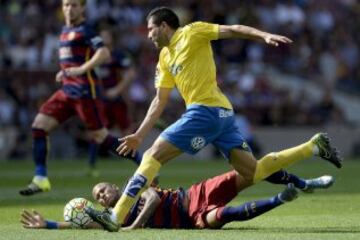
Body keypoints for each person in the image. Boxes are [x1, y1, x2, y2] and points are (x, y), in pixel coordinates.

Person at [86, 7, 342, 231]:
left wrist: (262, 35)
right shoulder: (164, 58)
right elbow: (158, 101)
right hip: (221, 115)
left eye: (151, 29)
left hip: (205, 111)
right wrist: (139, 134)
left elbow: (232, 29)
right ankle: (313, 146)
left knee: (153, 155)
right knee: (253, 172)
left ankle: (116, 215)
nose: (149, 34)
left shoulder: (192, 32)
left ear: (164, 26)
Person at [19, 0, 142, 196]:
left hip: (85, 91)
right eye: (67, 4)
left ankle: (143, 164)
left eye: (75, 5)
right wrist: (64, 72)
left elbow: (104, 52)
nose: (70, 8)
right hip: (67, 91)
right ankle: (40, 178)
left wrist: (80, 70)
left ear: (83, 8)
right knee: (39, 126)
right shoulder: (65, 30)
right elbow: (71, 60)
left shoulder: (86, 30)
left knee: (100, 136)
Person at [21, 172, 335, 230]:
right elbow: (79, 222)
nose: (101, 196)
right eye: (97, 198)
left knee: (251, 170)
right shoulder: (110, 217)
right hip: (192, 219)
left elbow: (154, 198)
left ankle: (304, 182)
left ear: (115, 186)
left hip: (193, 195)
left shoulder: (134, 186)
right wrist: (48, 225)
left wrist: (136, 227)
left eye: (102, 190)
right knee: (228, 216)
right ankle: (283, 197)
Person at [86, 29, 137, 175]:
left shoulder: (118, 55)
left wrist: (117, 90)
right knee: (97, 132)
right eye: (101, 36)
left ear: (111, 38)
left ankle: (139, 163)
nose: (104, 38)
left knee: (127, 132)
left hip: (116, 100)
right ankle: (91, 166)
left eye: (106, 35)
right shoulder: (94, 56)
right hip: (101, 101)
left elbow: (131, 73)